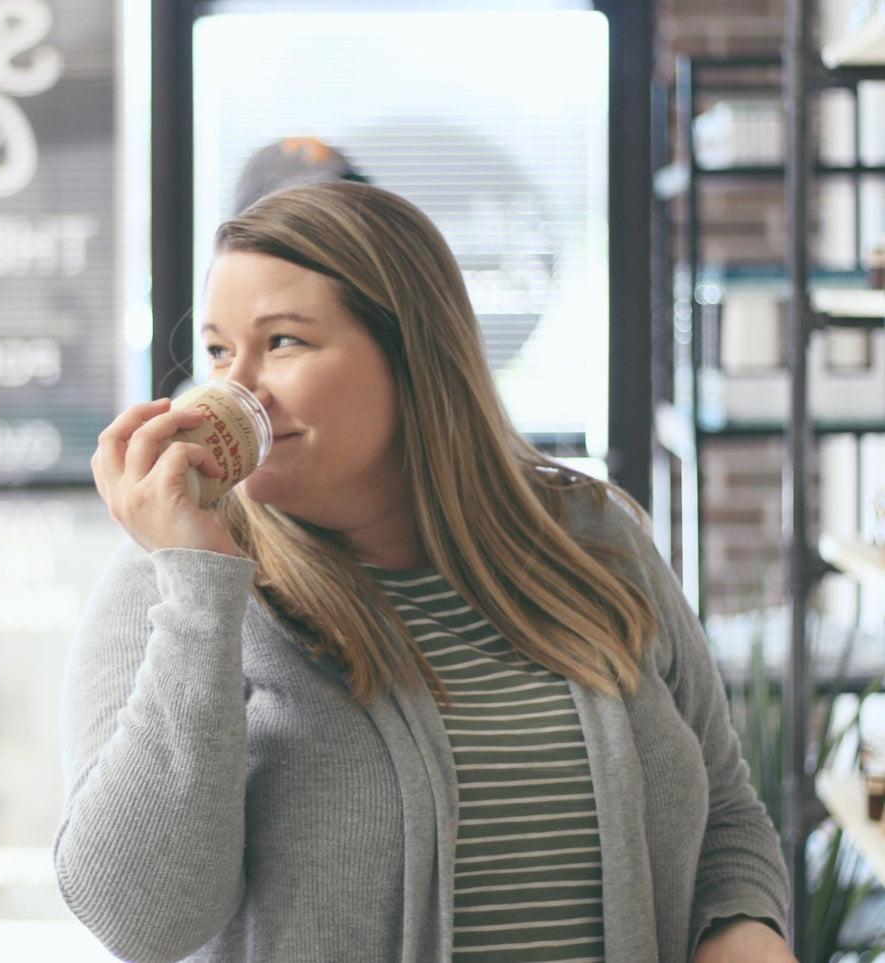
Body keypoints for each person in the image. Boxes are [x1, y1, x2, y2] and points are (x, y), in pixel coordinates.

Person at [53, 180, 792, 963]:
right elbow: (141, 921)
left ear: (411, 354)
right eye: (216, 350)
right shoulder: (172, 580)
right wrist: (198, 586)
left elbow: (725, 820)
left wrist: (745, 938)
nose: (236, 387)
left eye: (282, 342)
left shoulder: (594, 538)